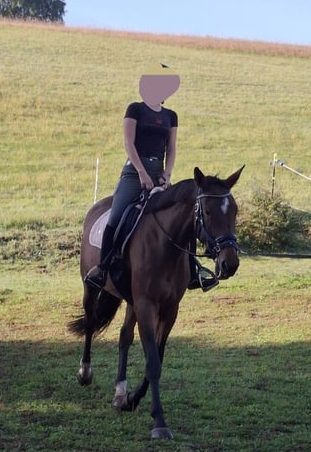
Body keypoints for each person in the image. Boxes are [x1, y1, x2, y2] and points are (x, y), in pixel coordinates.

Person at [84, 63, 217, 292]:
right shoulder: (135, 109)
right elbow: (128, 143)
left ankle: (194, 271)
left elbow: (171, 147)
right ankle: (102, 268)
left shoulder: (170, 116)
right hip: (133, 173)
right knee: (116, 217)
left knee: (184, 216)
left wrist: (167, 174)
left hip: (159, 174)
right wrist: (141, 173)